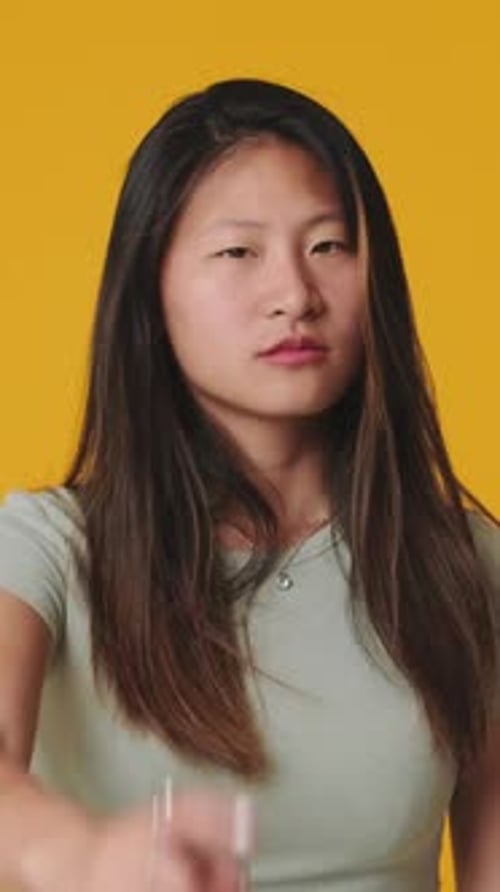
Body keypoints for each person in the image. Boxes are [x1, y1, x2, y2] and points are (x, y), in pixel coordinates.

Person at [0, 77, 498, 892]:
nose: (294, 296)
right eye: (239, 253)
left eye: (329, 246)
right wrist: (84, 856)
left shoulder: (468, 565)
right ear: (151, 292)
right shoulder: (47, 551)